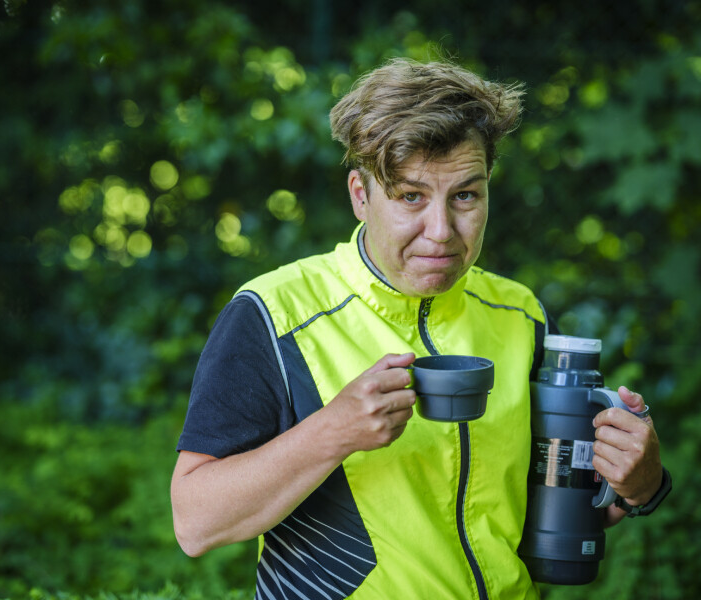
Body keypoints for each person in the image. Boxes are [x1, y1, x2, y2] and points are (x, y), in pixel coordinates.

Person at [170, 58, 668, 599]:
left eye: (465, 196)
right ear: (361, 195)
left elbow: (549, 505)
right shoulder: (274, 313)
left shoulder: (520, 313)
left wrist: (637, 484)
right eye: (411, 197)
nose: (442, 232)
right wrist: (332, 432)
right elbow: (196, 522)